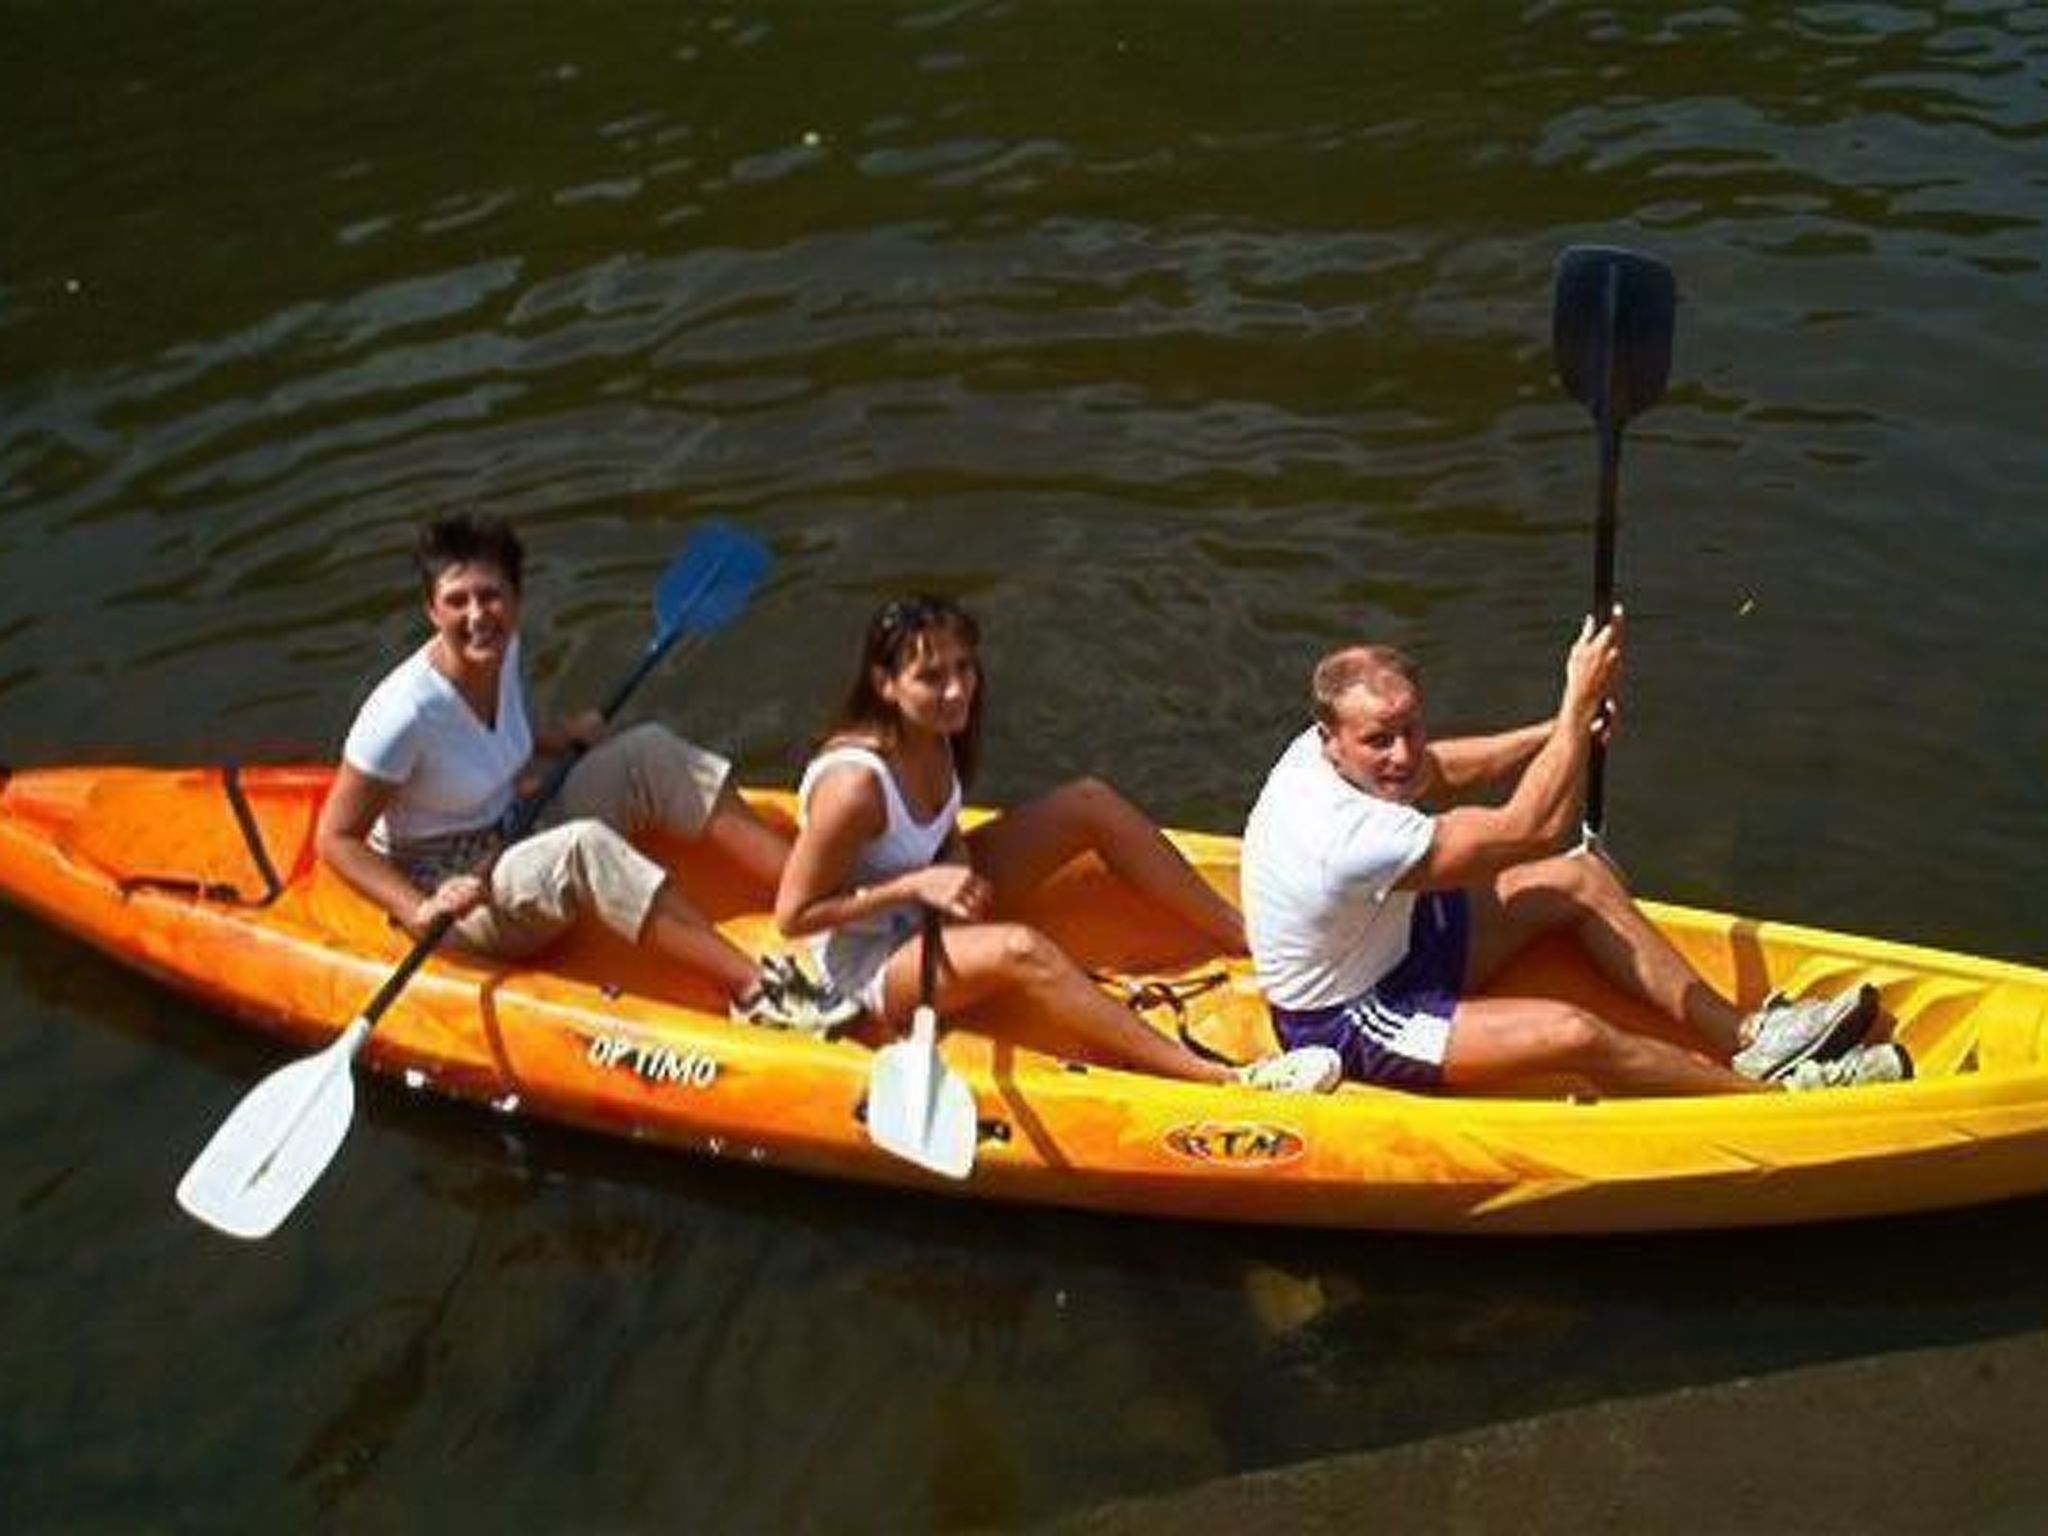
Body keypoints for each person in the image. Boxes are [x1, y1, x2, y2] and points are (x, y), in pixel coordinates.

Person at [1240, 609, 1911, 1096]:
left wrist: (1561, 732)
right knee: (1574, 1034)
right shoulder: (1346, 839)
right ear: (1331, 736)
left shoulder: (1329, 751)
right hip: (1351, 1017)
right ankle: (1781, 1099)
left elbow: (1437, 770)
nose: (1404, 753)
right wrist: (1575, 700)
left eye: (1411, 727)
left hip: (1403, 942)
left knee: (1582, 877)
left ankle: (1752, 1039)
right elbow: (1531, 828)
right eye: (1380, 741)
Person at [774, 595, 1342, 1094]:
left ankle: (1247, 941)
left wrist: (954, 862)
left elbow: (939, 827)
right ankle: (1218, 1078)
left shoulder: (939, 733)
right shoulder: (852, 787)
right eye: (931, 677)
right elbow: (795, 916)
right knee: (1022, 948)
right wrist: (916, 885)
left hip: (930, 911)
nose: (955, 690)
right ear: (884, 685)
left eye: (964, 668)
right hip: (870, 961)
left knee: (1087, 803)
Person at [316, 513, 858, 1033]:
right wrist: (420, 908)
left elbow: (495, 742)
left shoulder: (500, 651)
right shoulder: (400, 716)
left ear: (517, 599)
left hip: (514, 824)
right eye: (457, 601)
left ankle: (817, 897)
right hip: (459, 896)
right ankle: (757, 991)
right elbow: (337, 838)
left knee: (650, 751)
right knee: (583, 846)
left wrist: (558, 736)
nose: (478, 615)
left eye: (491, 596)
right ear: (432, 611)